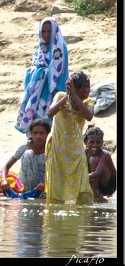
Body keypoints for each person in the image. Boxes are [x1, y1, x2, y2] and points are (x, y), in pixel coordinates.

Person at [45, 71, 94, 204]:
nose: (86, 90)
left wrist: (77, 98)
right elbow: (50, 113)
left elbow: (89, 116)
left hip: (76, 152)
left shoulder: (89, 102)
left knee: (84, 190)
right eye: (82, 87)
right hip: (58, 150)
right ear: (73, 88)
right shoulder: (61, 96)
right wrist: (68, 96)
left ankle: (84, 219)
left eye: (87, 86)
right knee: (56, 190)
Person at [15, 17, 69, 136]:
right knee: (35, 118)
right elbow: (34, 65)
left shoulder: (60, 47)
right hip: (37, 91)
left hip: (53, 90)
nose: (46, 34)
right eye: (43, 31)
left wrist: (43, 73)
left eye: (49, 31)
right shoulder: (39, 47)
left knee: (50, 121)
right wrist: (36, 72)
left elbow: (59, 70)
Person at [0, 118, 51, 199]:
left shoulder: (51, 148)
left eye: (42, 133)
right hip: (27, 181)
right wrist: (3, 180)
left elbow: (59, 170)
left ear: (47, 134)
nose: (38, 136)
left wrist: (46, 184)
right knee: (28, 153)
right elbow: (6, 166)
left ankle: (40, 193)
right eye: (35, 133)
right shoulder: (25, 146)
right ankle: (29, 192)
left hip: (46, 183)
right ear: (31, 134)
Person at [83, 124, 116, 203]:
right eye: (91, 142)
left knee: (93, 160)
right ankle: (93, 191)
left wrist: (80, 178)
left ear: (102, 143)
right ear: (85, 142)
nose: (95, 145)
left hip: (109, 185)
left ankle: (96, 193)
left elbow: (97, 173)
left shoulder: (104, 154)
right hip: (93, 181)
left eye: (98, 142)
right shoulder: (84, 153)